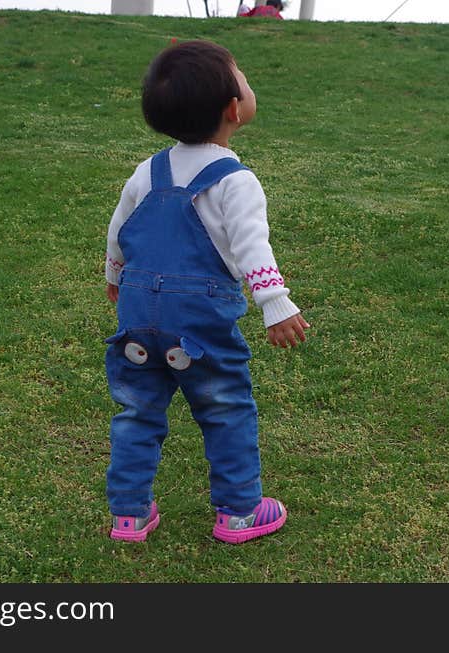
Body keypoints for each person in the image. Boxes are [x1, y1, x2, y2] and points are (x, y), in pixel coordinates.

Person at [103, 40, 310, 544]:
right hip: (198, 320)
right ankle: (240, 511)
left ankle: (129, 515)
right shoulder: (235, 180)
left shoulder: (146, 172)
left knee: (138, 409)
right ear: (233, 109)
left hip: (137, 311)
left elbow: (118, 232)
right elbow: (252, 248)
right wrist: (275, 304)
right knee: (224, 406)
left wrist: (114, 279)